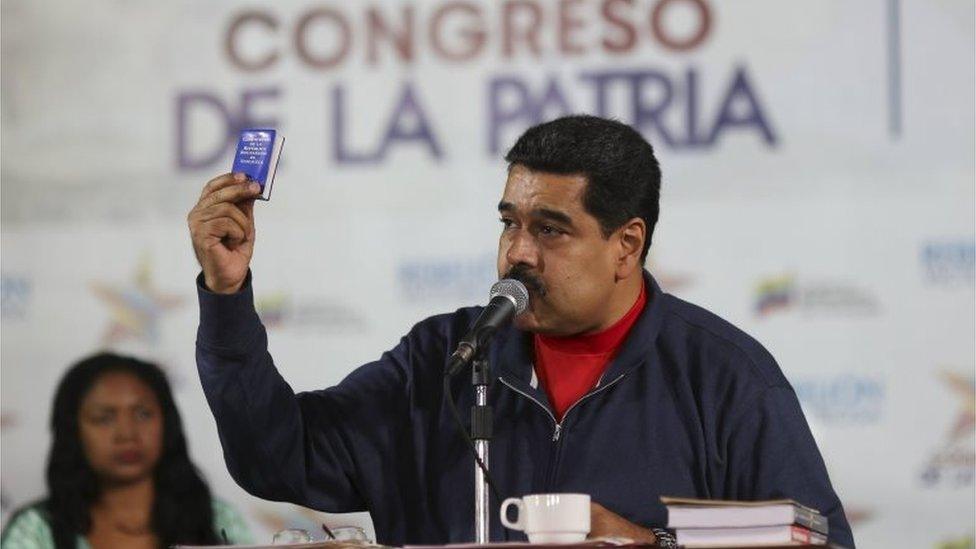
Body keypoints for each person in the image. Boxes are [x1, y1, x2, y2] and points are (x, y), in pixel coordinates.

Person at [188, 115, 855, 547]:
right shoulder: (444, 357)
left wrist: (654, 545)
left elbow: (816, 543)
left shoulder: (724, 377)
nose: (517, 253)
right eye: (510, 222)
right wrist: (226, 296)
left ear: (627, 245)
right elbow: (276, 454)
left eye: (550, 230)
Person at [0, 353, 253, 549]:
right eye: (104, 418)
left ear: (167, 422)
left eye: (143, 414)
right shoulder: (37, 529)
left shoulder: (217, 519)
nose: (127, 434)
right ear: (72, 430)